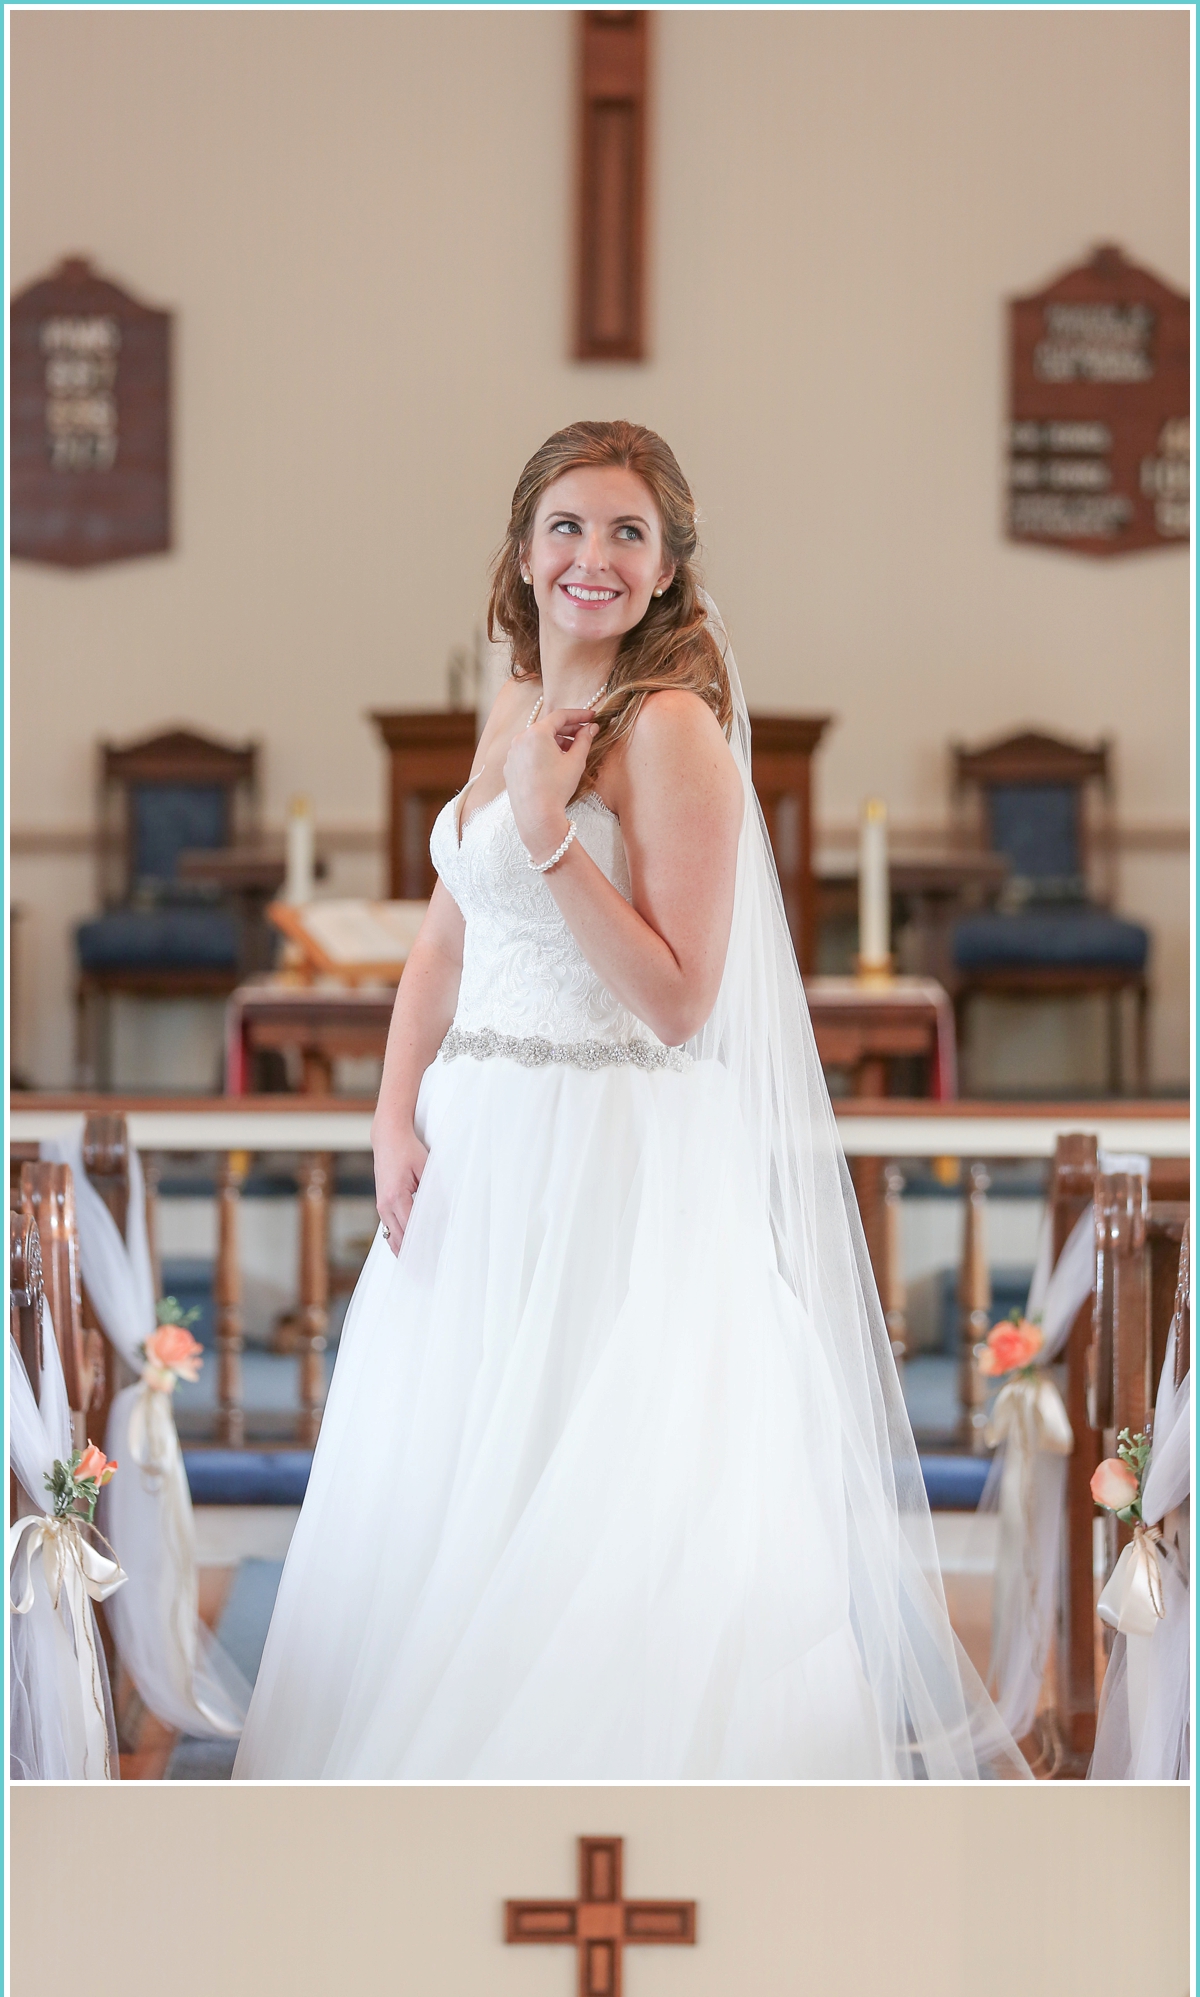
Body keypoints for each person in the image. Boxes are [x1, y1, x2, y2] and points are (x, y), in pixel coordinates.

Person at [234, 418, 1023, 1783]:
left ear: (666, 572)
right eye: (567, 526)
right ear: (524, 551)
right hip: (480, 1155)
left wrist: (550, 842)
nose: (591, 555)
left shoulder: (672, 735)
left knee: (601, 1483)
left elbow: (676, 999)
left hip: (613, 1152)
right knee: (459, 1482)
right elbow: (443, 938)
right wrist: (391, 1116)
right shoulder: (513, 704)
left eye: (625, 533)